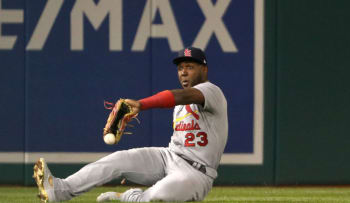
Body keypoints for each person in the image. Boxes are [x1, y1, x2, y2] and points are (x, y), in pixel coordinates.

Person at [33, 47, 228, 202]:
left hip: (197, 172)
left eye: (190, 67)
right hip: (169, 156)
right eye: (180, 67)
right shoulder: (181, 104)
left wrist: (142, 104)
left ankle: (131, 197)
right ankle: (58, 190)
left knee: (157, 198)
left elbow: (180, 96)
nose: (184, 72)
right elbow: (178, 99)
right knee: (117, 161)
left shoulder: (211, 92)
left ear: (204, 69)